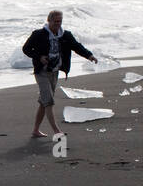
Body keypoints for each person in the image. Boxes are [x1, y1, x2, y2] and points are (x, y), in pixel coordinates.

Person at [21, 10, 97, 138]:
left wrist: (89, 55)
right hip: (42, 72)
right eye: (55, 21)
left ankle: (35, 130)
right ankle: (57, 131)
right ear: (49, 21)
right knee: (49, 101)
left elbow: (77, 46)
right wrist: (39, 57)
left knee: (43, 102)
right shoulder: (38, 34)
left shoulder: (65, 35)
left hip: (54, 72)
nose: (58, 24)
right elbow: (26, 49)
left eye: (60, 21)